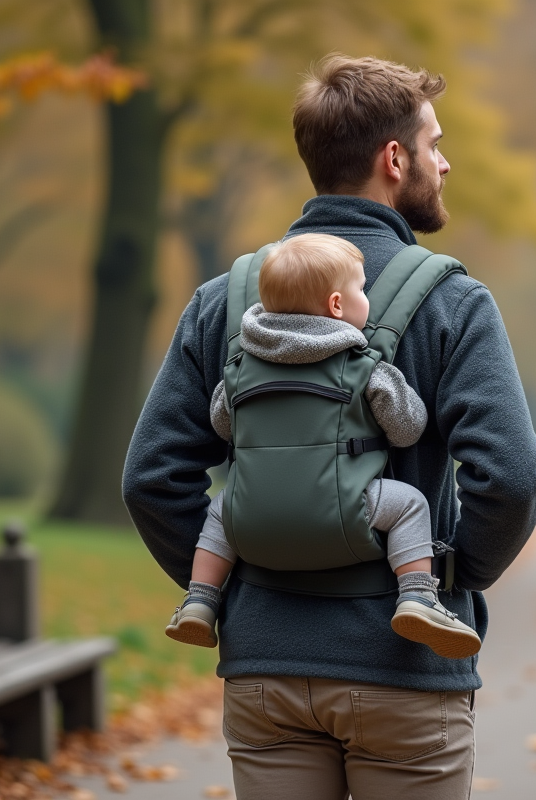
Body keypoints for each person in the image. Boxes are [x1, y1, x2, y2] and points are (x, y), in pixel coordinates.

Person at [124, 53, 536, 800]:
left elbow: (151, 479)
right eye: (434, 144)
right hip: (403, 674)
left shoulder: (225, 300)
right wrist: (451, 578)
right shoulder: (453, 303)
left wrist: (238, 581)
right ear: (394, 159)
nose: (444, 163)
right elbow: (511, 478)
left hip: (265, 672)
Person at [163, 232, 482, 659]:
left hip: (254, 514)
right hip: (346, 509)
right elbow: (408, 429)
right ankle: (418, 596)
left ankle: (200, 600)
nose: (366, 298)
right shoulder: (366, 368)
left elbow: (222, 425)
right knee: (410, 505)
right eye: (361, 289)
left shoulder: (238, 371)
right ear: (336, 305)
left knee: (221, 514)